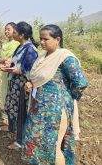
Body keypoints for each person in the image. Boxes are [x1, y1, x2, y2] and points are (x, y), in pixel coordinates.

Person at [22, 24, 88, 165]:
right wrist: (31, 83)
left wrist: (67, 98)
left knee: (53, 147)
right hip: (38, 109)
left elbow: (81, 83)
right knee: (39, 145)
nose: (42, 42)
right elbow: (39, 77)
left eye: (46, 39)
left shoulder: (65, 58)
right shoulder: (42, 57)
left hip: (55, 112)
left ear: (57, 39)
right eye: (40, 39)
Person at [0, 21, 38, 149]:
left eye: (15, 32)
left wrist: (11, 70)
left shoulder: (30, 49)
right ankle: (11, 127)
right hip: (14, 82)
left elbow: (28, 70)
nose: (12, 34)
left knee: (21, 111)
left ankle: (20, 141)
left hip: (22, 86)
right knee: (10, 105)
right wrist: (8, 64)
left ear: (21, 35)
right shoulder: (20, 46)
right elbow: (14, 61)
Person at [0, 22, 20, 129]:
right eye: (5, 29)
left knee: (11, 95)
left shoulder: (16, 44)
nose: (6, 31)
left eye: (8, 29)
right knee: (5, 93)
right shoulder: (6, 43)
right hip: (5, 73)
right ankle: (6, 116)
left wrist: (3, 60)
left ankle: (9, 120)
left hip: (14, 73)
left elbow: (15, 59)